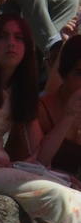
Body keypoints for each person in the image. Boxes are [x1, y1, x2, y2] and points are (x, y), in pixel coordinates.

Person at [0, 14, 81, 223]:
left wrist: (69, 114)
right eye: (3, 37)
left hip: (2, 168)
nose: (11, 43)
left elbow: (40, 157)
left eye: (19, 38)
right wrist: (7, 163)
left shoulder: (20, 88)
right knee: (61, 198)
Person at [39, 38, 81, 177]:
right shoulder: (42, 108)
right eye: (79, 73)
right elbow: (39, 161)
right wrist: (69, 116)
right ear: (65, 73)